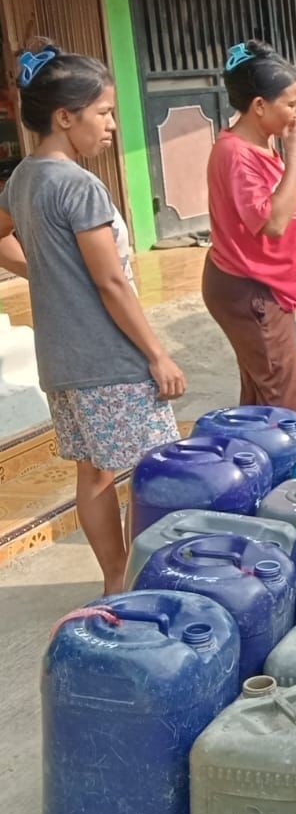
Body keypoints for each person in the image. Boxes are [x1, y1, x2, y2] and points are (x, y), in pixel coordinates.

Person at [0, 46, 182, 593]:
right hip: (110, 361)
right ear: (65, 117)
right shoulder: (78, 186)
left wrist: (45, 275)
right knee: (159, 470)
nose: (110, 125)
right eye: (102, 113)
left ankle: (115, 582)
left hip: (61, 361)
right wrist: (157, 354)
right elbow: (110, 282)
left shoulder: (25, 178)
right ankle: (152, 580)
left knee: (95, 474)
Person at [201, 42, 296, 415]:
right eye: (291, 104)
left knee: (261, 394)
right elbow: (274, 223)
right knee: (285, 401)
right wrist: (295, 156)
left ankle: (256, 469)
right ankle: (281, 472)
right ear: (259, 105)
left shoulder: (260, 146)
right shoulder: (236, 153)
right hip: (251, 288)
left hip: (267, 283)